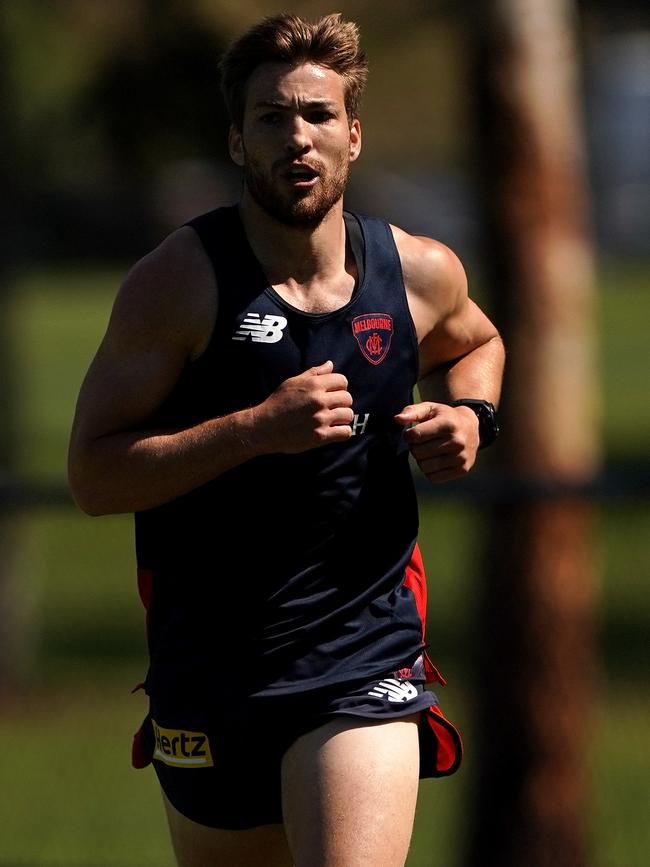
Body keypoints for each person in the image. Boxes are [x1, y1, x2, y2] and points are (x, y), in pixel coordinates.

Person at [68, 12, 504, 867]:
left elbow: (477, 341)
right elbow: (93, 475)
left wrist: (471, 419)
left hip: (363, 655)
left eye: (316, 116)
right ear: (236, 141)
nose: (295, 138)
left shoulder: (415, 271)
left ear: (354, 135)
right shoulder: (178, 285)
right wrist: (255, 430)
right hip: (210, 671)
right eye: (271, 117)